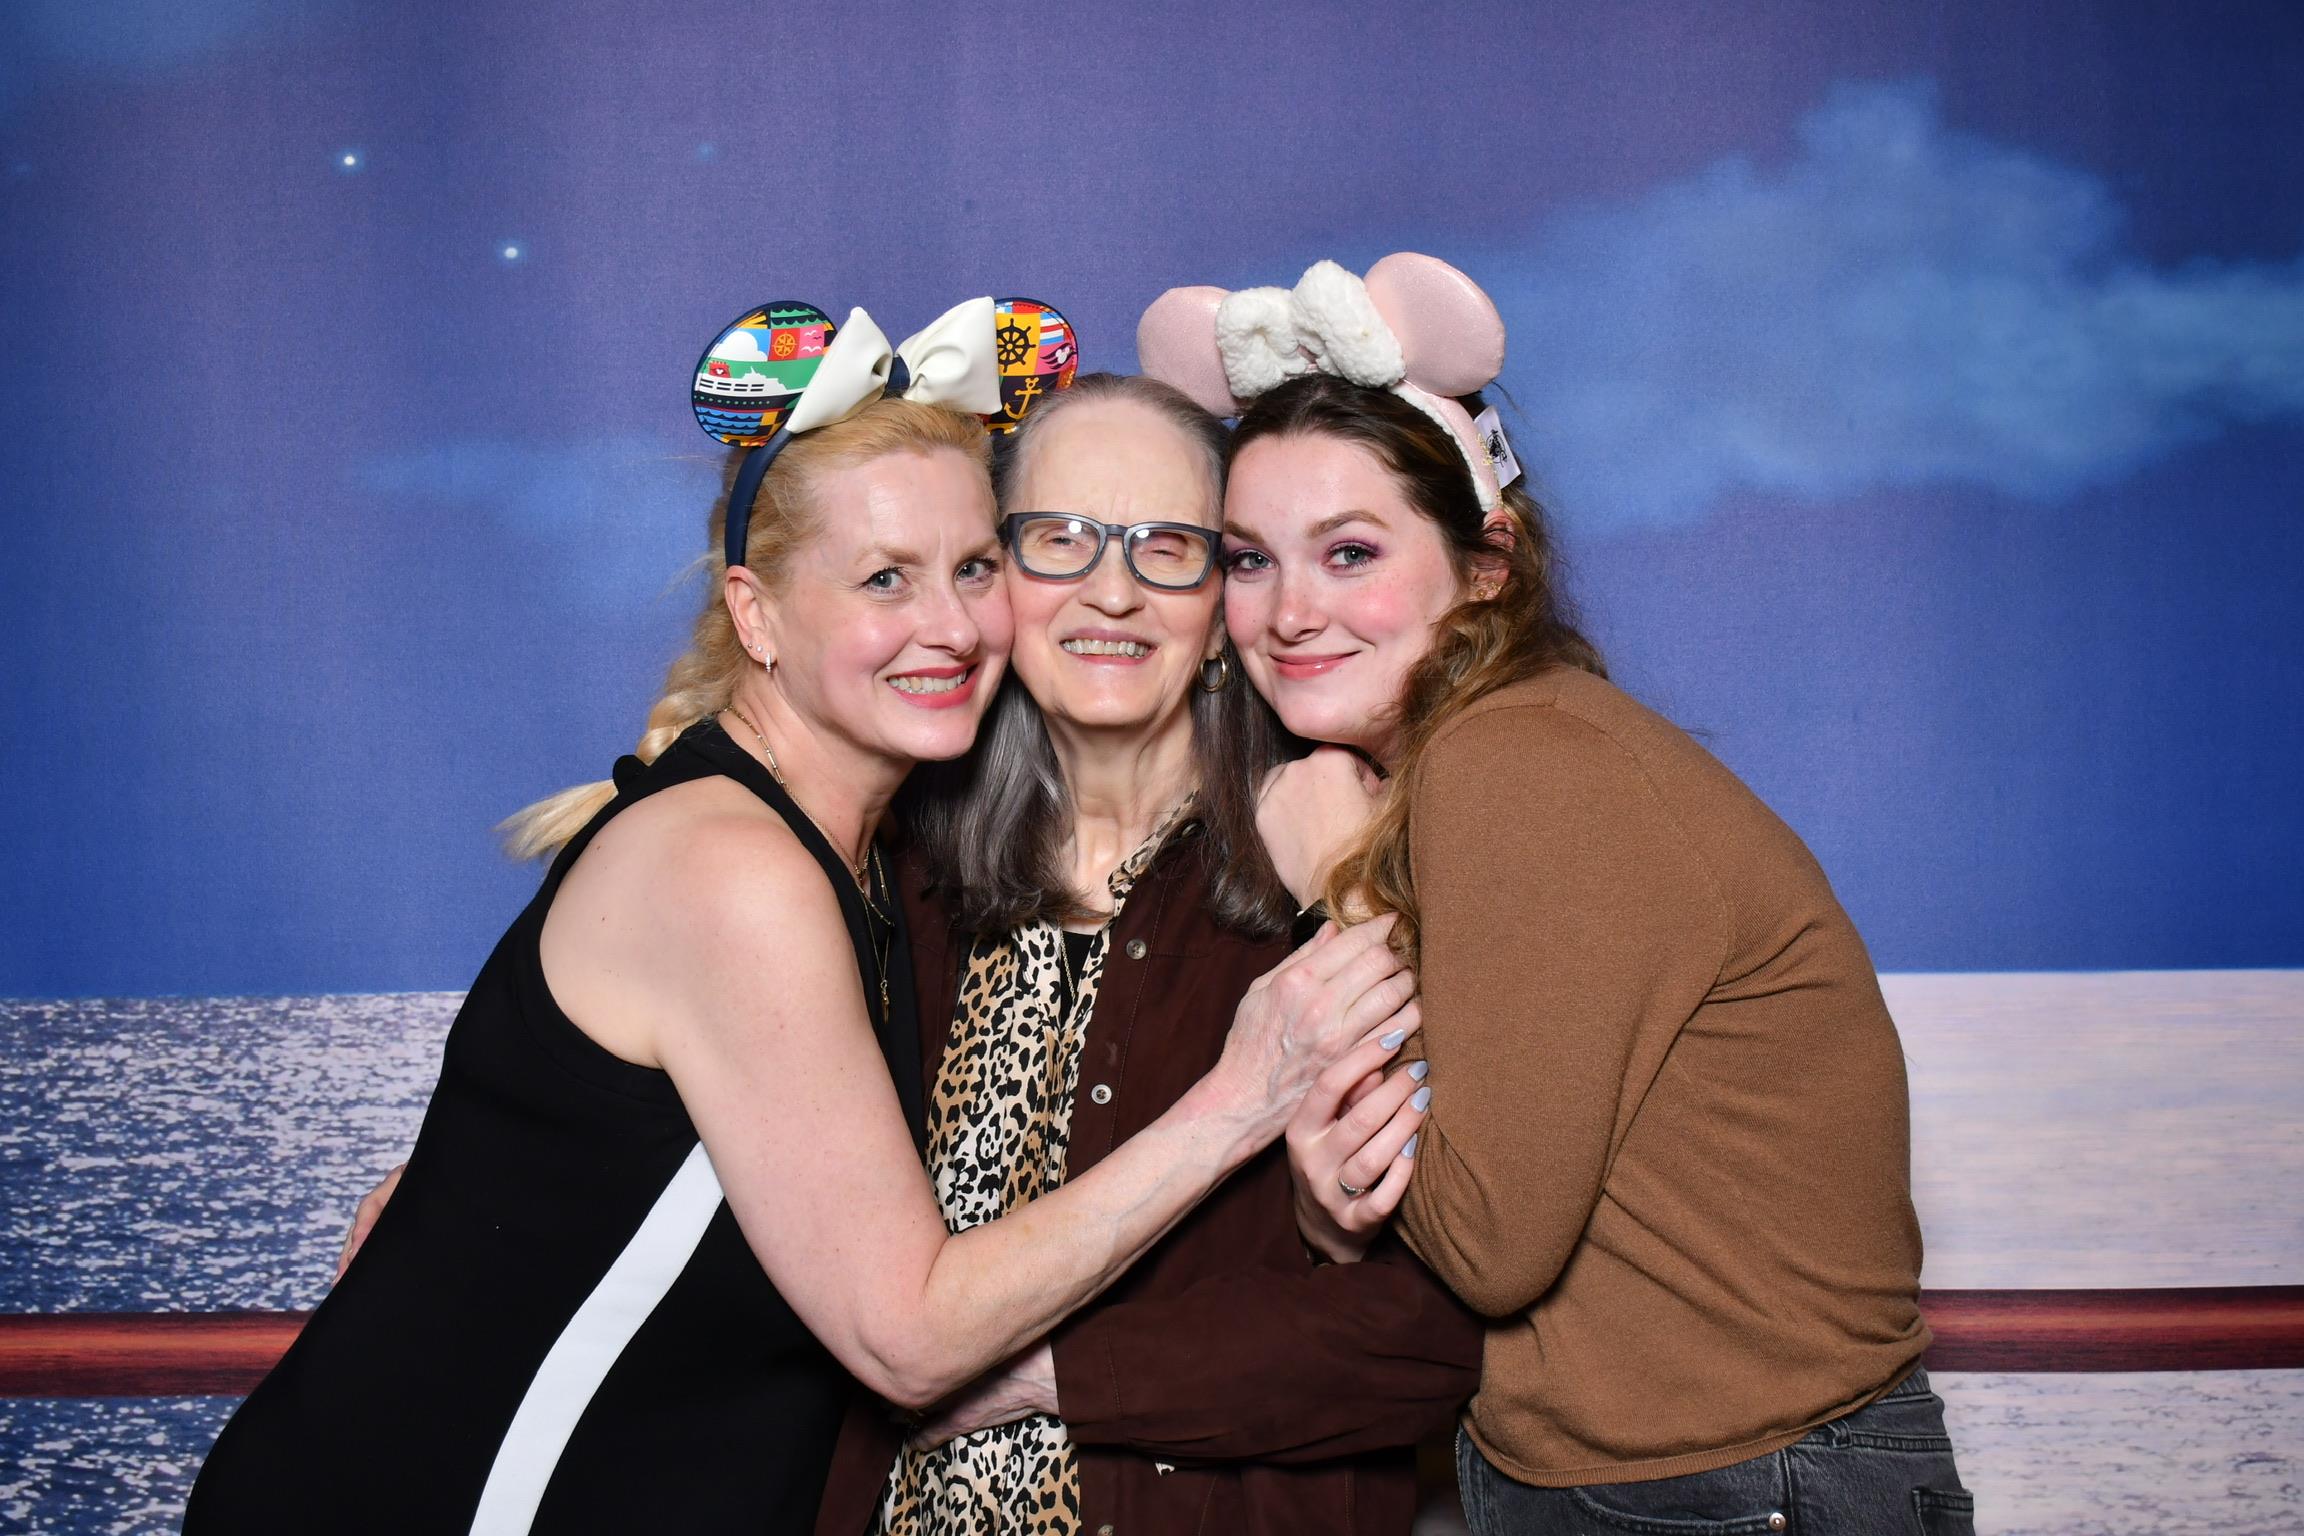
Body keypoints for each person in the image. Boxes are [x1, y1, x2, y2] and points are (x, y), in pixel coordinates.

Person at [188, 298, 1415, 1534]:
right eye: (890, 578)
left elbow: (1429, 1306)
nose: (949, 623)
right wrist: (1246, 1094)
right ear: (756, 613)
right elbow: (909, 1332)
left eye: (970, 567)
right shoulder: (757, 872)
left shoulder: (880, 863)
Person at [1140, 256, 1973, 1535]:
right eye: (1250, 561)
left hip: (1738, 1490)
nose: (1290, 612)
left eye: (1350, 552)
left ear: (1487, 565)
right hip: (1667, 1482)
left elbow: (1484, 1243)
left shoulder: (1517, 763)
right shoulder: (1493, 759)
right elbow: (1409, 1217)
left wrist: (1335, 893)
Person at [809, 372, 1484, 1535]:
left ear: (1223, 592)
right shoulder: (888, 877)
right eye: (1058, 540)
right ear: (991, 578)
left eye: (1169, 546)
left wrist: (1049, 1371)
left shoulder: (1338, 864)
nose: (1111, 592)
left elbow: (1430, 1332)